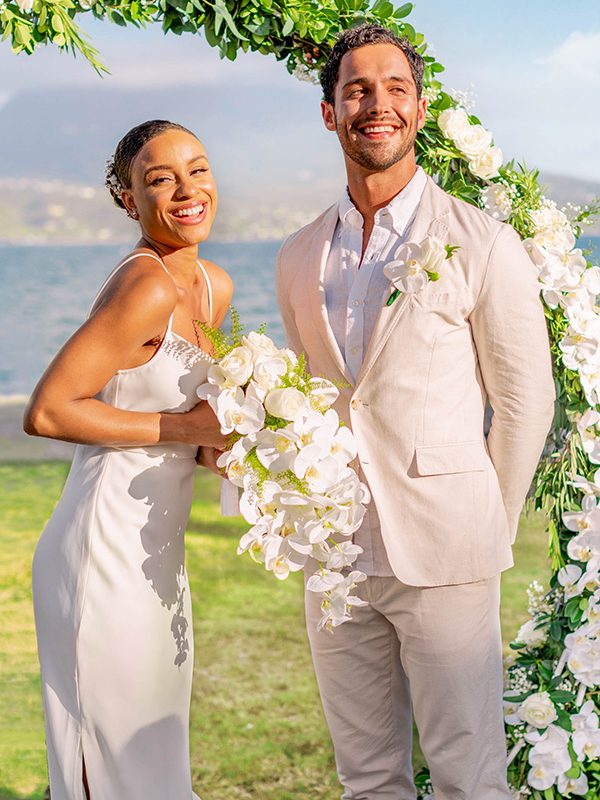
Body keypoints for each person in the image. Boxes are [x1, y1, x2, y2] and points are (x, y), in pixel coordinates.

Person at [276, 24, 555, 800]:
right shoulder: (298, 254)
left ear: (421, 110)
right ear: (330, 113)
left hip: (448, 549)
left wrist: (481, 523)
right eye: (357, 89)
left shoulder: (483, 243)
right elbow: (315, 401)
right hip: (336, 557)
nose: (377, 104)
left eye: (395, 88)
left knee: (467, 774)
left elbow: (525, 399)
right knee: (366, 777)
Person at [24, 119, 232, 800]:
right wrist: (185, 428)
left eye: (196, 170)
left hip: (157, 557)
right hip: (101, 550)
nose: (186, 190)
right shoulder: (143, 287)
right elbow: (50, 410)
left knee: (154, 758)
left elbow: (189, 428)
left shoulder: (213, 287)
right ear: (127, 198)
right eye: (159, 179)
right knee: (108, 762)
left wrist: (238, 445)